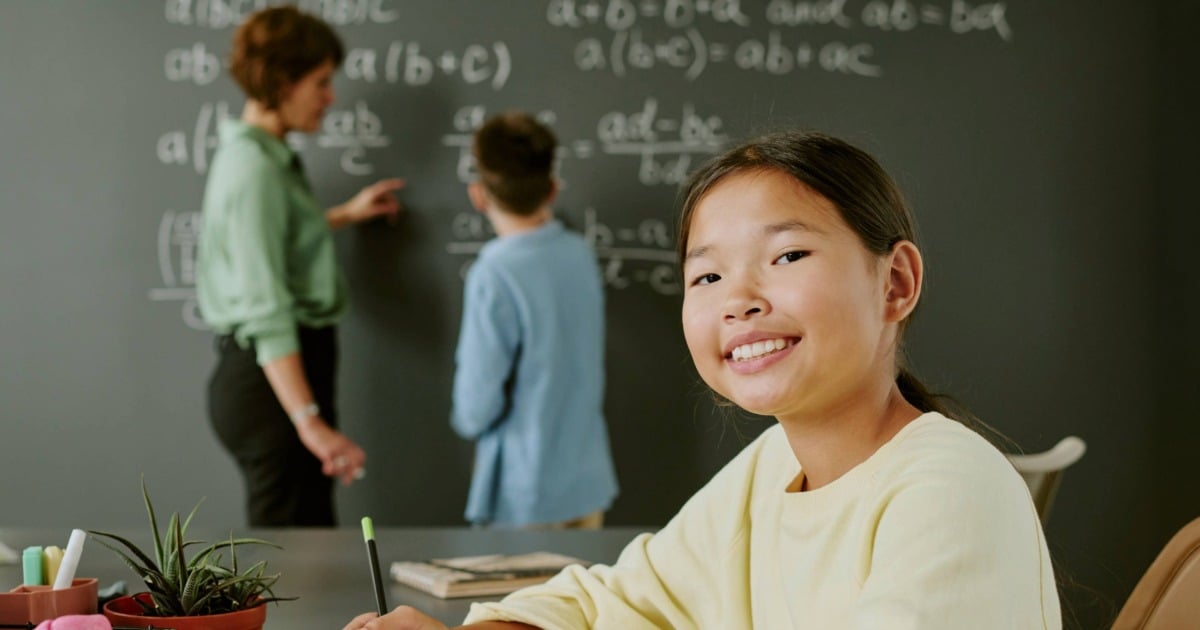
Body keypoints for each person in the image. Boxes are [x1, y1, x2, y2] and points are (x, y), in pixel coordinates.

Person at [343, 130, 1061, 629]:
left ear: (895, 283)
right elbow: (616, 602)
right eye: (707, 275)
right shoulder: (772, 468)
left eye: (786, 256)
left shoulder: (948, 489)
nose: (737, 298)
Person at [196, 6, 404, 527]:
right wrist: (310, 423)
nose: (330, 97)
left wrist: (344, 215)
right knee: (293, 552)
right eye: (321, 82)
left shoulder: (266, 155)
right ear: (283, 81)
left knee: (307, 542)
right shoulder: (254, 171)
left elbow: (278, 236)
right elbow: (267, 308)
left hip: (279, 381)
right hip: (272, 386)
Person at [447, 111, 618, 529]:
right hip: (586, 477)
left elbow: (476, 405)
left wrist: (467, 418)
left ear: (478, 195)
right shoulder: (579, 253)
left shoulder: (494, 272)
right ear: (552, 189)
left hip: (523, 490)